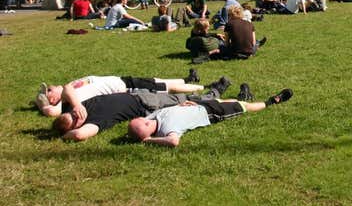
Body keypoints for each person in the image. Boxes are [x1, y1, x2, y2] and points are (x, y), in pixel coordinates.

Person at [52, 78, 230, 142]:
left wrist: (76, 105)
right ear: (76, 126)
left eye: (71, 114)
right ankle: (215, 93)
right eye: (75, 119)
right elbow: (78, 136)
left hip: (136, 93)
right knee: (184, 101)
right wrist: (64, 135)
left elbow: (67, 87)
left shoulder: (77, 106)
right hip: (146, 105)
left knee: (173, 93)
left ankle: (206, 89)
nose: (77, 115)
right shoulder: (93, 122)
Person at [127, 87, 293, 147]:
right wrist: (148, 140)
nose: (145, 117)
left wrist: (180, 106)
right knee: (244, 107)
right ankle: (272, 101)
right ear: (147, 128)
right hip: (212, 114)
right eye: (143, 121)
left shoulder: (155, 118)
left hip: (199, 105)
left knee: (229, 100)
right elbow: (173, 141)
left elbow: (160, 113)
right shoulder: (167, 129)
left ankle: (243, 97)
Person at [35, 72, 203, 117]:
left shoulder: (71, 87)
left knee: (159, 81)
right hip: (126, 88)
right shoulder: (67, 99)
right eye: (49, 93)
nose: (51, 89)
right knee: (165, 87)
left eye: (49, 89)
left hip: (121, 80)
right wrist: (44, 103)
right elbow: (51, 111)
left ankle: (188, 79)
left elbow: (66, 87)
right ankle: (200, 86)